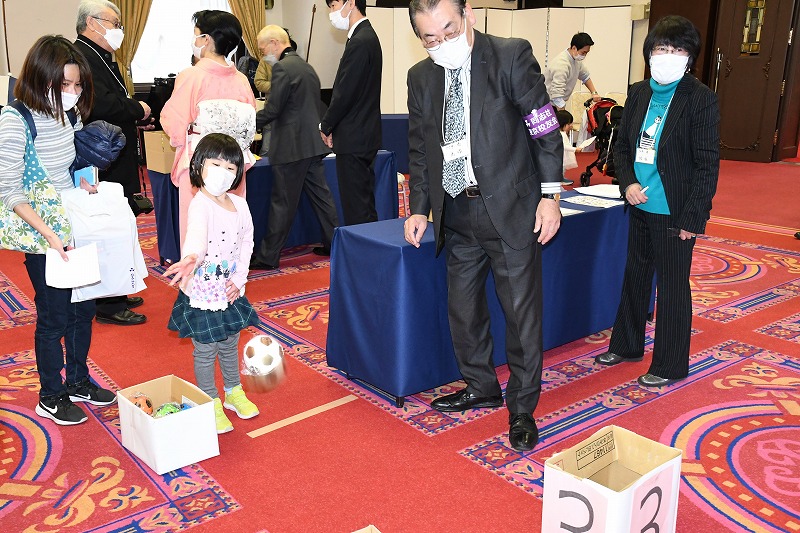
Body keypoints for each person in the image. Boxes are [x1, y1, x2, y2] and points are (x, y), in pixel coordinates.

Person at [404, 0, 562, 452]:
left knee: (520, 315)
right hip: (456, 211)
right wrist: (418, 207)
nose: (442, 44)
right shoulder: (422, 76)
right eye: (430, 38)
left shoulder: (510, 55)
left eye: (449, 31)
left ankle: (522, 408)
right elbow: (421, 149)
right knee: (464, 310)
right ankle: (481, 385)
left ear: (468, 14)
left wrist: (550, 197)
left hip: (511, 208)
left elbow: (544, 129)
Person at [594, 16, 720, 387]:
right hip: (640, 203)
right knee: (634, 275)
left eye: (677, 50)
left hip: (675, 211)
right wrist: (628, 184)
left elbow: (707, 165)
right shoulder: (639, 93)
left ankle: (669, 364)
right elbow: (622, 146)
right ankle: (627, 344)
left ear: (690, 57)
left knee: (673, 287)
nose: (668, 55)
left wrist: (693, 218)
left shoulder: (700, 99)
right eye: (662, 48)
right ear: (649, 53)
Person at [0, 35, 117, 425]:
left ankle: (79, 381)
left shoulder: (69, 113)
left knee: (83, 309)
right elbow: (9, 191)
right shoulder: (15, 119)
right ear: (41, 78)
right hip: (42, 232)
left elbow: (74, 164)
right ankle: (50, 395)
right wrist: (48, 234)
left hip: (74, 223)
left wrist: (87, 182)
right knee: (54, 316)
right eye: (64, 84)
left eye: (77, 84)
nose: (72, 92)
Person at [165, 133, 261, 434]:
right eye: (215, 164)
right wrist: (191, 257)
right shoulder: (200, 204)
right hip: (203, 292)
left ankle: (233, 392)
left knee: (230, 342)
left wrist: (240, 279)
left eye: (230, 167)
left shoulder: (240, 205)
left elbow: (247, 242)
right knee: (206, 350)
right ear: (199, 165)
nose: (223, 172)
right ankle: (210, 401)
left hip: (230, 289)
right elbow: (196, 234)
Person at [75, 0, 149, 326]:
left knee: (121, 225)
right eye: (114, 23)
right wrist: (137, 110)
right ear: (92, 23)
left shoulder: (100, 55)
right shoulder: (82, 56)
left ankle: (116, 290)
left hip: (115, 154)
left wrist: (135, 114)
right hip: (102, 158)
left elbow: (116, 98)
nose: (119, 30)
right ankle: (108, 302)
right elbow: (101, 104)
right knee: (108, 229)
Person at [160, 10, 256, 247]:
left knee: (198, 228)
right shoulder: (242, 80)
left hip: (201, 164)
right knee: (230, 225)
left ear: (206, 39)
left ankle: (196, 271)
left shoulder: (192, 76)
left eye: (197, 35)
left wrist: (184, 140)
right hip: (233, 164)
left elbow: (174, 122)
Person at [249, 26, 339, 271]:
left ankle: (268, 257)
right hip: (312, 145)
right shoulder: (306, 67)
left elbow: (273, 109)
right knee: (322, 199)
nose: (263, 54)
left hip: (291, 147)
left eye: (263, 49)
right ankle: (335, 243)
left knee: (282, 203)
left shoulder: (282, 68)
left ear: (274, 43)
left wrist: (246, 124)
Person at [320, 0, 382, 228]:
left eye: (334, 5)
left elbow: (345, 92)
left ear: (351, 3)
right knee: (362, 205)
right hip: (362, 135)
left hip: (355, 137)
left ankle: (364, 249)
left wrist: (326, 125)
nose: (332, 12)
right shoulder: (365, 36)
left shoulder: (360, 41)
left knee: (357, 210)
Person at [544, 32, 602, 111]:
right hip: (547, 105)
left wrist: (594, 93)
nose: (584, 55)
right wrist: (562, 113)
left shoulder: (576, 61)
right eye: (583, 52)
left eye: (586, 53)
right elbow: (557, 95)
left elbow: (585, 76)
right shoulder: (561, 64)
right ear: (574, 48)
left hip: (556, 102)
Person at [254, 27, 273, 157]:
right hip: (271, 108)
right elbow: (259, 82)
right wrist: (279, 86)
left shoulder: (293, 63)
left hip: (290, 112)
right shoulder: (265, 61)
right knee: (266, 149)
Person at [557, 109, 576, 186]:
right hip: (561, 154)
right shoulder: (560, 134)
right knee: (561, 166)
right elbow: (563, 146)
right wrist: (575, 149)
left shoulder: (562, 133)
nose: (571, 126)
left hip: (563, 154)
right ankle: (559, 179)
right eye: (568, 124)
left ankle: (561, 178)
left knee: (563, 167)